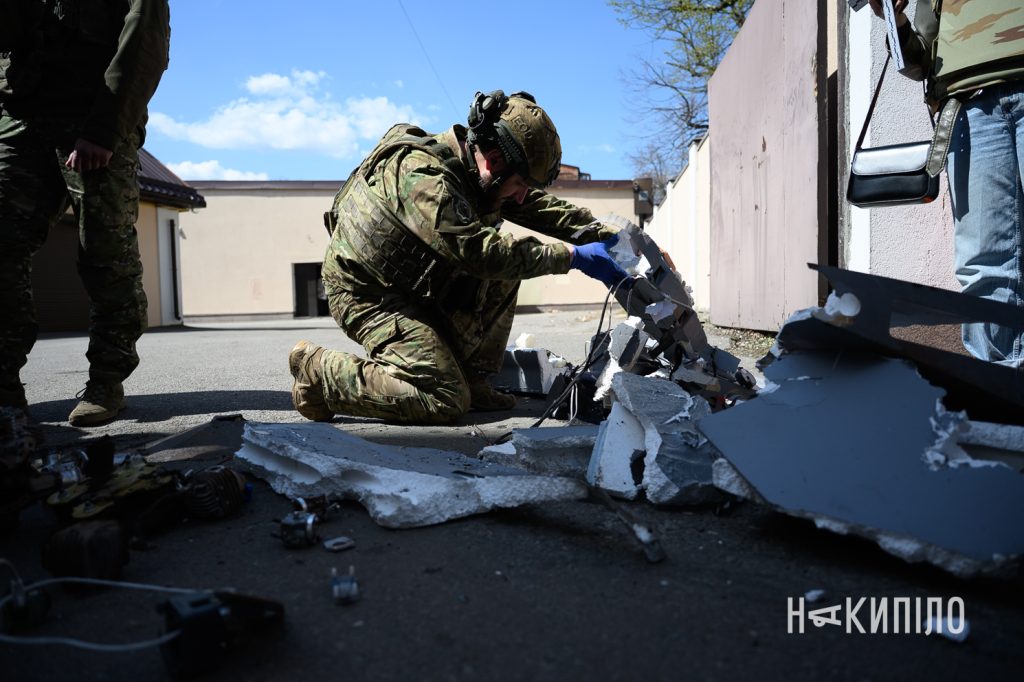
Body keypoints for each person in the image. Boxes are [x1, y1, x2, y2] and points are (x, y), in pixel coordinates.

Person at [290, 90, 630, 425]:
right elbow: (479, 253)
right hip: (368, 295)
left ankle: (473, 379)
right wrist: (573, 257)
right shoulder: (422, 179)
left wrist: (614, 239)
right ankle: (320, 373)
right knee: (443, 399)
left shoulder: (481, 171)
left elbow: (542, 209)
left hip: (412, 283)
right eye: (520, 184)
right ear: (495, 160)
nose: (523, 195)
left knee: (508, 271)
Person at [0, 0, 171, 425]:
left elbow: (143, 45)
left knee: (105, 254)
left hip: (93, 120)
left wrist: (105, 130)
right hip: (18, 117)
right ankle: (4, 386)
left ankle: (106, 380)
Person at [869, 0, 1024, 366]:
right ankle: (997, 396)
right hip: (968, 107)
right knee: (985, 264)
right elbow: (919, 59)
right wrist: (894, 18)